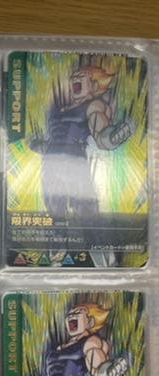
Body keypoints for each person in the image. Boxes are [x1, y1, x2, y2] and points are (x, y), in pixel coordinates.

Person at [30, 65, 134, 266]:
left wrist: (117, 135)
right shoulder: (57, 110)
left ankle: (106, 264)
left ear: (94, 85)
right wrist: (36, 144)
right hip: (51, 165)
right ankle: (55, 264)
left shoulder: (94, 105)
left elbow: (102, 137)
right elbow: (49, 141)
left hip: (75, 164)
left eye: (82, 76)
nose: (76, 77)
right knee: (56, 216)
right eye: (75, 75)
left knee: (88, 215)